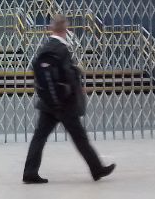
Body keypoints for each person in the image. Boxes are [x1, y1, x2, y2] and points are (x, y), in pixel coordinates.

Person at [22, 14, 116, 184]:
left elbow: (40, 73)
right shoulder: (61, 49)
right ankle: (97, 169)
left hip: (48, 103)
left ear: (52, 29)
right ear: (65, 29)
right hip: (64, 104)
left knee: (39, 137)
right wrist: (76, 81)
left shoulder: (45, 47)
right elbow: (66, 75)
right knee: (80, 137)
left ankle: (29, 172)